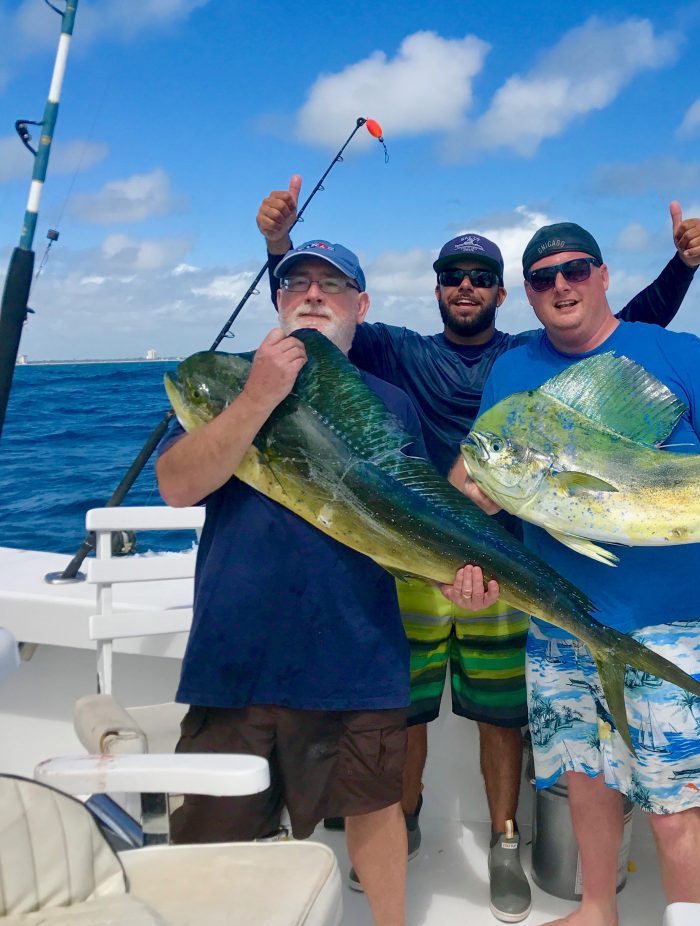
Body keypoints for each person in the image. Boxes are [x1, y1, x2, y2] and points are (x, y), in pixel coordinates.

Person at [256, 181, 700, 922]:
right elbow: (318, 321)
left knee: (501, 715)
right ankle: (399, 824)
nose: (464, 288)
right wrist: (278, 248)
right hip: (413, 555)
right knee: (402, 710)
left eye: (480, 278)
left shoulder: (528, 356)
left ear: (505, 294)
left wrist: (682, 268)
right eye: (451, 276)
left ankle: (503, 837)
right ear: (435, 288)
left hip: (508, 561)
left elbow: (625, 328)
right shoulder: (398, 352)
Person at [452, 222, 700, 925]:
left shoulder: (675, 354)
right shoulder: (513, 371)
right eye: (544, 278)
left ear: (604, 275)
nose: (561, 286)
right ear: (528, 294)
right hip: (558, 616)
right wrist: (472, 513)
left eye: (575, 269)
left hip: (663, 623)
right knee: (584, 777)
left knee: (673, 805)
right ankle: (598, 909)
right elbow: (473, 476)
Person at [156, 239, 476, 926]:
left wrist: (458, 581)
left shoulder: (389, 401)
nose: (311, 294)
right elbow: (178, 485)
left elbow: (415, 524)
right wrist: (256, 397)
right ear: (276, 301)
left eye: (332, 285)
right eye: (295, 281)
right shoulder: (223, 379)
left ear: (361, 307)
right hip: (236, 655)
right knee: (212, 837)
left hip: (356, 654)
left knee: (374, 812)